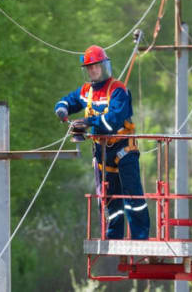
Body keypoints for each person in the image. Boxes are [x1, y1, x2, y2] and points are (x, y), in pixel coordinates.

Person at [54, 45, 150, 240]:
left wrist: (88, 122)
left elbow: (113, 120)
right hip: (102, 153)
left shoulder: (117, 90)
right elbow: (68, 100)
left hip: (124, 149)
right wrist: (62, 109)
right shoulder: (86, 91)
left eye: (97, 66)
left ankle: (140, 236)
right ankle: (114, 235)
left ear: (104, 66)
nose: (93, 70)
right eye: (90, 67)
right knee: (110, 196)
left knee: (132, 194)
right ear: (86, 70)